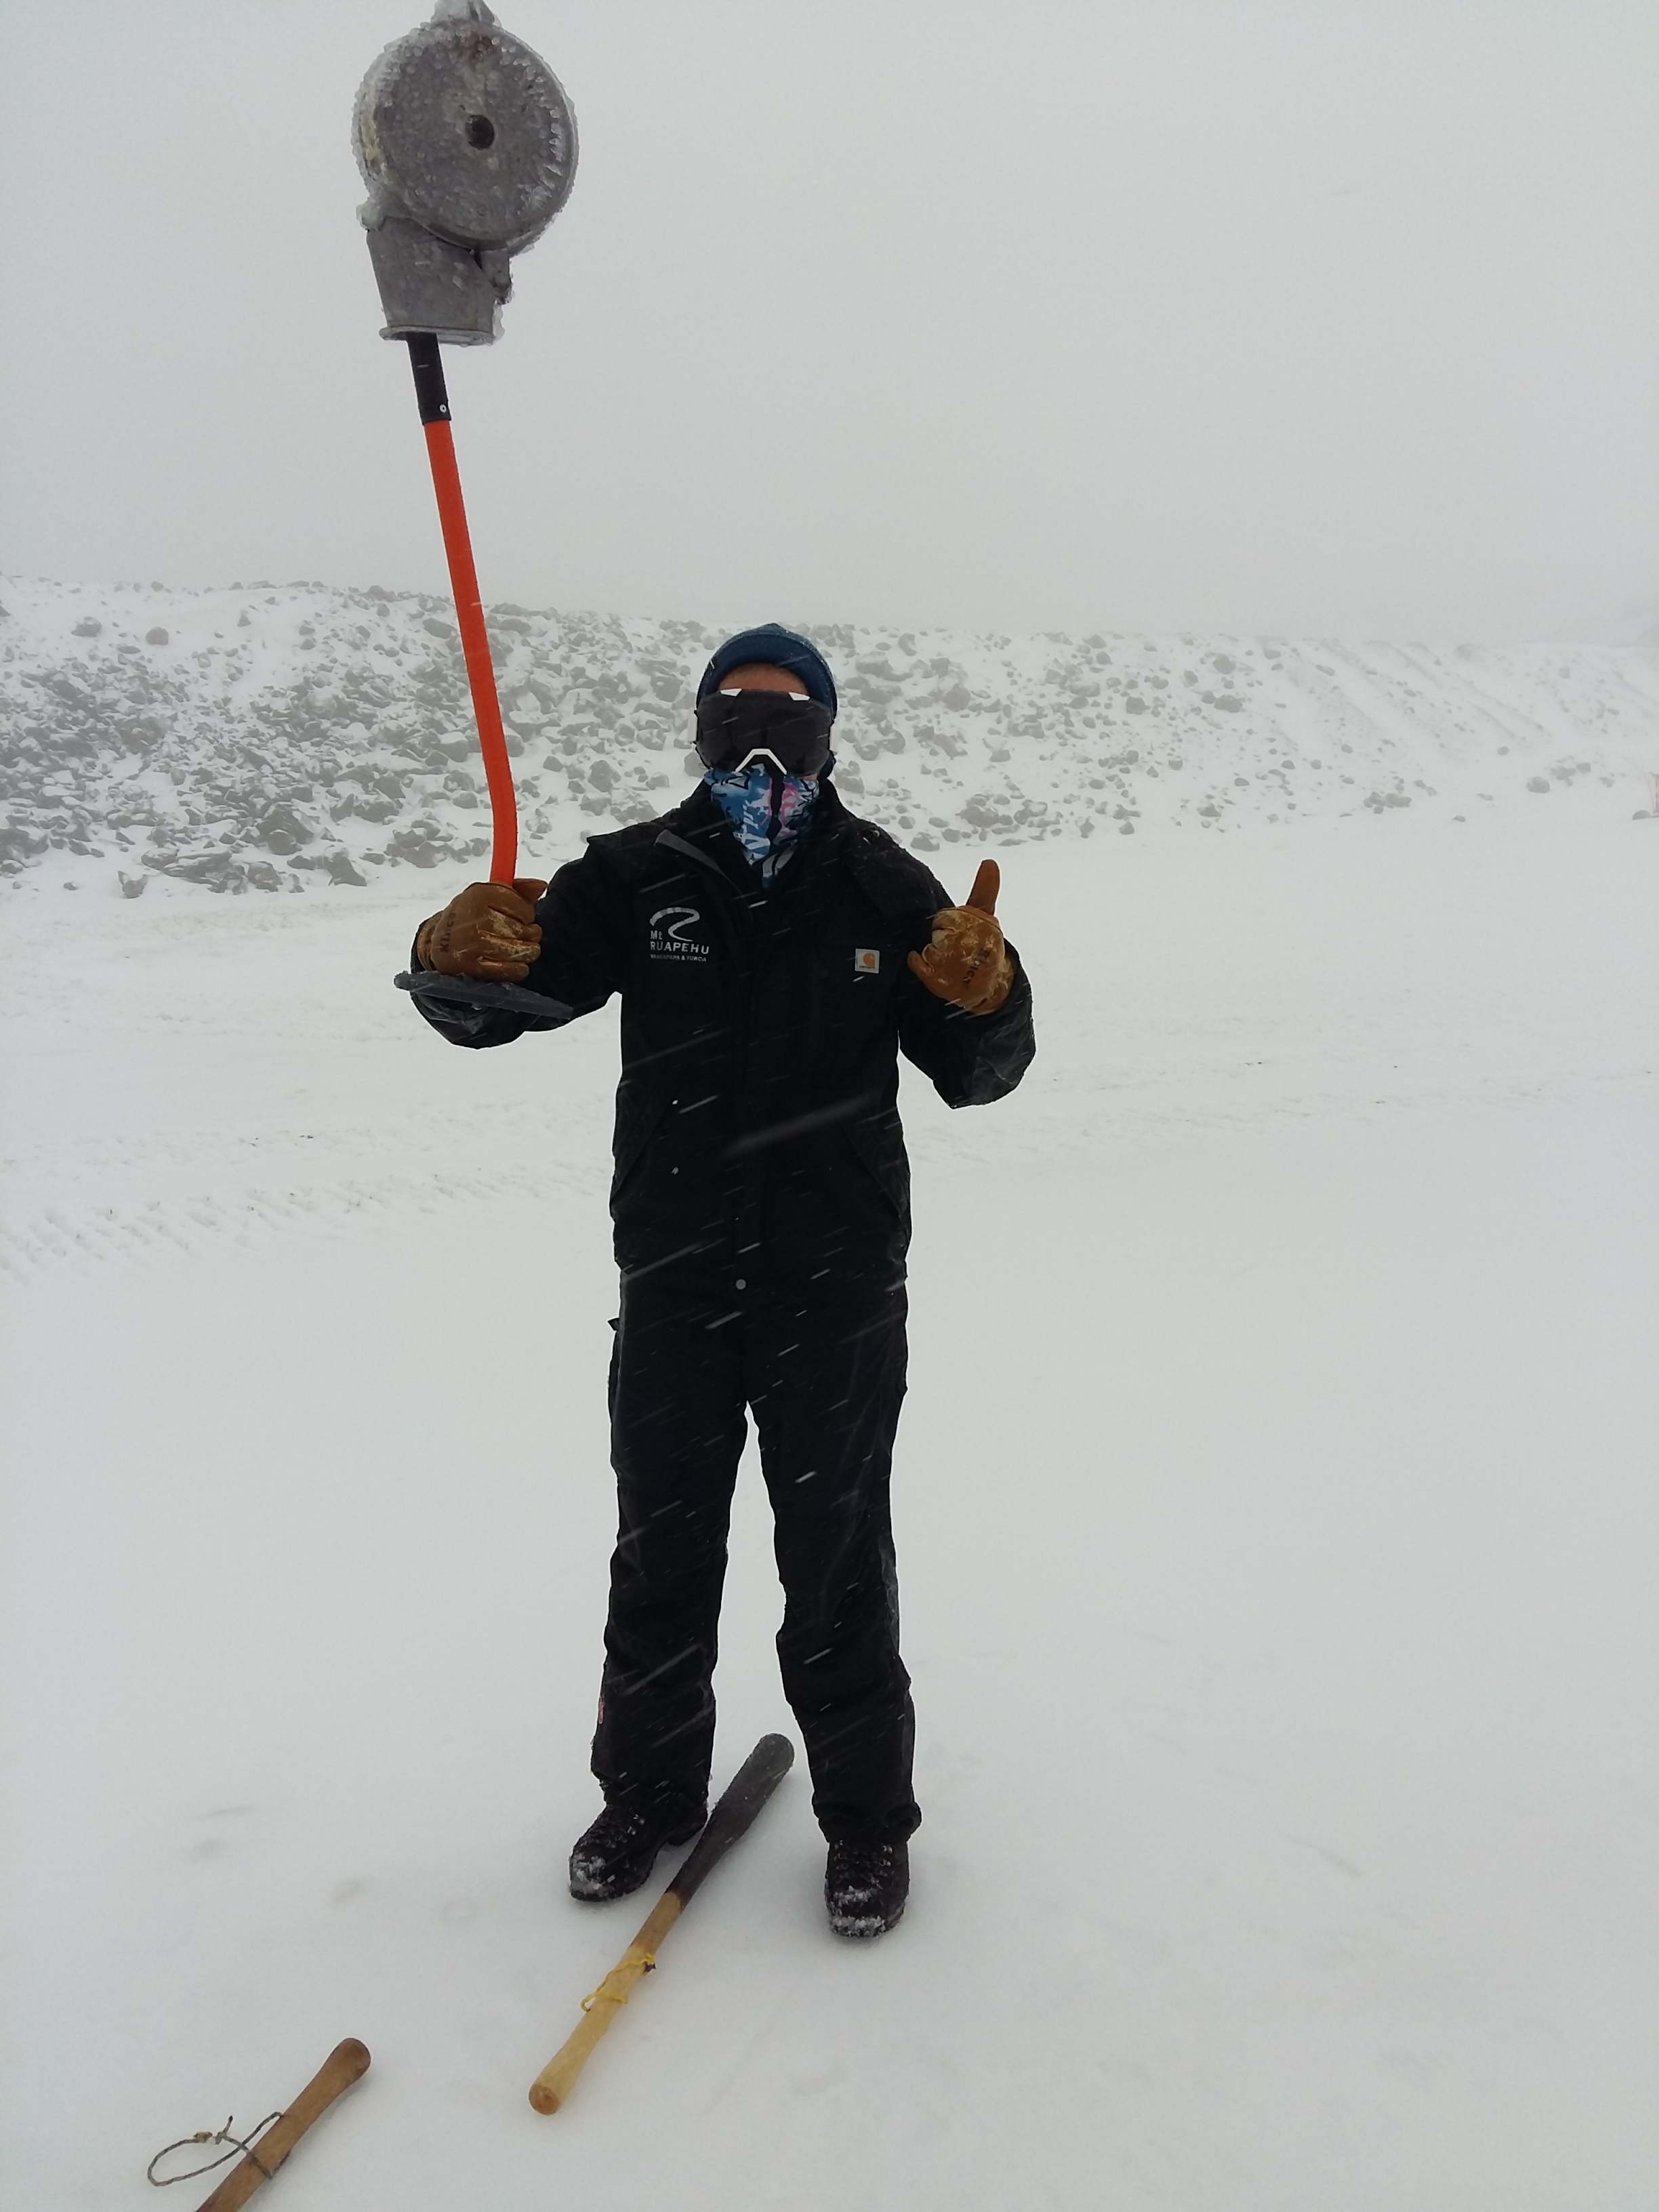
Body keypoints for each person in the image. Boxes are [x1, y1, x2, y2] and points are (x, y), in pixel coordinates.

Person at [408, 623, 1034, 1937]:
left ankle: (865, 1823)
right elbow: (504, 997)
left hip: (836, 1290)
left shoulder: (879, 882)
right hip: (678, 1281)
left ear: (826, 732)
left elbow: (978, 1073)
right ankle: (645, 1796)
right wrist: (453, 956)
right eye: (736, 712)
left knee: (837, 1560)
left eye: (788, 713)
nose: (761, 741)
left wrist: (988, 996)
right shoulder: (641, 874)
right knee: (662, 1550)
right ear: (701, 728)